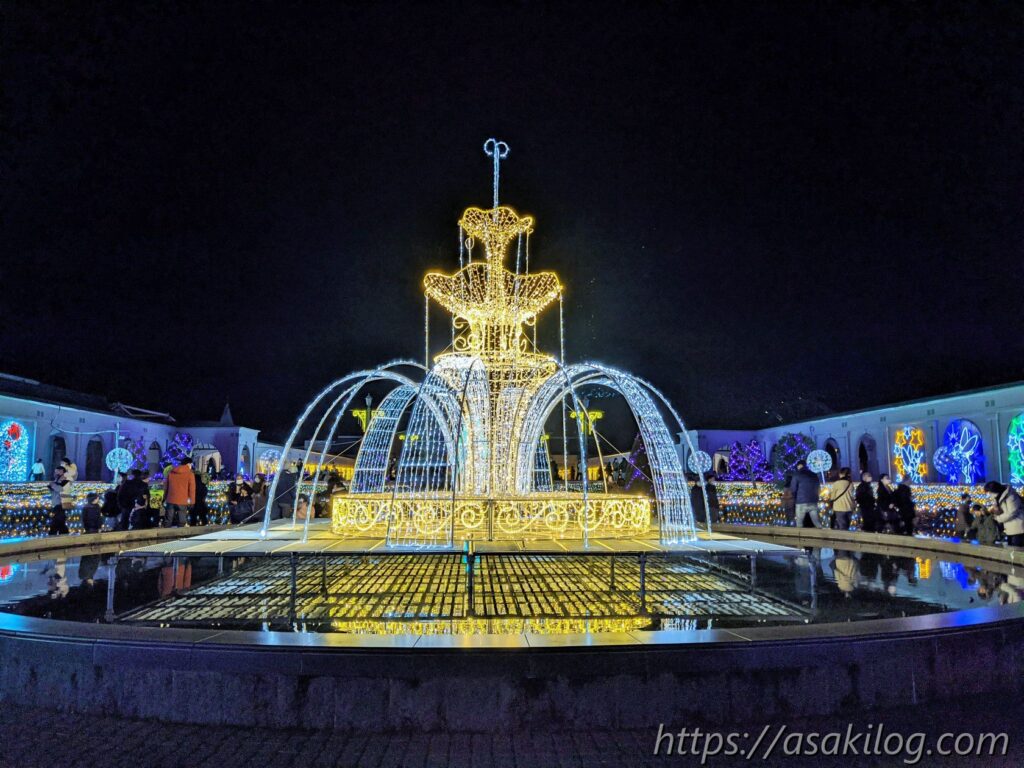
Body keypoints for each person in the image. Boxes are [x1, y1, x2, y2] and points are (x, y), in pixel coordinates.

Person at [985, 481, 1024, 547]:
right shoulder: (998, 497)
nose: (989, 494)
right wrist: (996, 511)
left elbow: (1012, 513)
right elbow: (1004, 511)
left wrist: (998, 518)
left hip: (1018, 528)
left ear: (994, 490)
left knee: (1017, 550)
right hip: (1010, 528)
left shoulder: (1010, 496)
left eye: (989, 492)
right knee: (1012, 549)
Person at [163, 457, 195, 528]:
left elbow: (166, 487)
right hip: (182, 500)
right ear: (188, 464)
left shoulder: (171, 472)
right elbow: (192, 489)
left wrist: (164, 498)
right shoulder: (190, 474)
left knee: (168, 520)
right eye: (191, 464)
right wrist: (192, 502)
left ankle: (165, 533)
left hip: (170, 499)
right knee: (181, 521)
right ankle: (179, 533)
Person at [789, 460, 821, 528]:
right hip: (813, 501)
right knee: (817, 522)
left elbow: (793, 489)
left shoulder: (796, 475)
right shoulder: (814, 474)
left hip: (801, 502)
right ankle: (822, 533)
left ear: (799, 466)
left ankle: (799, 534)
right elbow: (818, 488)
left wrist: (795, 498)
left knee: (799, 523)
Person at [46, 467, 69, 535]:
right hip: (57, 504)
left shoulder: (65, 480)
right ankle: (65, 536)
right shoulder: (56, 480)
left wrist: (53, 485)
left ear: (62, 471)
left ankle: (52, 536)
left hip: (61, 504)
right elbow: (54, 491)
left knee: (56, 523)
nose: (55, 473)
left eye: (57, 471)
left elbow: (61, 489)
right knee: (60, 524)